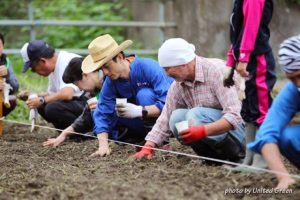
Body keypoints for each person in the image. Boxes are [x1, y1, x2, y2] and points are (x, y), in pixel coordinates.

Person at [132, 38, 245, 162]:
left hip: (242, 133)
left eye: (167, 68)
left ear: (183, 63)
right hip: (215, 131)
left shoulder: (217, 71)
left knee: (194, 115)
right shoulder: (178, 85)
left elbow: (235, 116)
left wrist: (203, 130)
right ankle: (212, 158)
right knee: (176, 118)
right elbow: (165, 118)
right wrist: (148, 146)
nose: (166, 74)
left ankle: (236, 156)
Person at [81, 34, 173, 157]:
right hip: (138, 123)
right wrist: (103, 146)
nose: (106, 73)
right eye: (101, 70)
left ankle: (161, 141)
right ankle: (136, 138)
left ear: (119, 57)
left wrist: (141, 111)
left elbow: (169, 103)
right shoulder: (111, 81)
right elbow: (102, 112)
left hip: (167, 121)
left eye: (107, 66)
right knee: (99, 108)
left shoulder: (148, 67)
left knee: (145, 95)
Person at [224, 0, 276, 170]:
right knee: (248, 106)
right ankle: (250, 158)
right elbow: (238, 30)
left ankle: (263, 159)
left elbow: (251, 26)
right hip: (245, 59)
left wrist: (244, 57)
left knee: (261, 108)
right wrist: (231, 60)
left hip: (257, 58)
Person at [248, 35, 300, 189]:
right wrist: (284, 178)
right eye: (292, 78)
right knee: (286, 137)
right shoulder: (293, 92)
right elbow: (266, 133)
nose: (298, 83)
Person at [20, 40, 85, 130]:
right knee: (42, 105)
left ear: (42, 61)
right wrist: (34, 96)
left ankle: (84, 131)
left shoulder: (67, 61)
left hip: (92, 103)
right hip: (79, 103)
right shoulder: (53, 68)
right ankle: (66, 132)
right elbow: (53, 94)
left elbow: (67, 94)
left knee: (51, 107)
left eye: (34, 69)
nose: (35, 72)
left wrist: (41, 100)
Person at [43, 57, 103, 147]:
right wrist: (63, 135)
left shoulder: (110, 79)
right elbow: (85, 117)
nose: (79, 89)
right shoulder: (93, 92)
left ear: (85, 75)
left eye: (77, 84)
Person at [0, 32, 19, 116]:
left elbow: (15, 87)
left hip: (2, 96)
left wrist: (7, 76)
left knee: (12, 100)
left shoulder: (6, 61)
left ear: (3, 46)